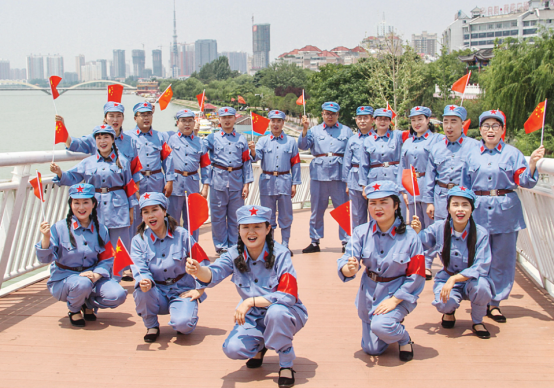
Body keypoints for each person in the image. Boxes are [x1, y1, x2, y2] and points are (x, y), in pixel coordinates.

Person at [186, 205, 307, 388]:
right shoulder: (234, 254)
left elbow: (288, 295)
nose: (251, 232)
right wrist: (198, 270)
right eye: (245, 227)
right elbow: (212, 275)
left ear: (268, 229)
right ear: (239, 230)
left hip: (285, 311)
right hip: (253, 316)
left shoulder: (281, 254)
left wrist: (250, 301)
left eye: (257, 227)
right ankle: (260, 347)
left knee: (275, 314)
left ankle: (286, 363)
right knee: (232, 349)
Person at [461, 109, 545, 323]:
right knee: (478, 256)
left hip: (506, 212)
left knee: (503, 260)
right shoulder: (471, 155)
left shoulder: (513, 154)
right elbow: (465, 186)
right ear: (480, 129)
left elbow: (524, 180)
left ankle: (495, 303)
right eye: (486, 126)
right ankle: (479, 296)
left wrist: (533, 162)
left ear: (502, 130)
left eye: (495, 126)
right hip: (478, 210)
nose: (491, 130)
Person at [337, 181, 425, 361]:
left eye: (384, 202)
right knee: (371, 349)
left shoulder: (410, 236)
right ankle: (388, 325)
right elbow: (346, 262)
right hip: (369, 296)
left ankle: (404, 338)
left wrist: (395, 300)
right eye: (372, 202)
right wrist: (348, 268)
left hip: (397, 294)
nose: (377, 207)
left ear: (396, 205)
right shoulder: (361, 232)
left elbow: (417, 275)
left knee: (381, 326)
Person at [35, 183, 127, 327]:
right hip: (64, 280)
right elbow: (44, 259)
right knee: (82, 283)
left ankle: (87, 303)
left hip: (92, 277)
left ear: (93, 204)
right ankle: (74, 309)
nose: (81, 207)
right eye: (76, 202)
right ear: (70, 204)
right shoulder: (59, 228)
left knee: (118, 295)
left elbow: (108, 258)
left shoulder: (101, 229)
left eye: (85, 202)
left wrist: (97, 275)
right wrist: (45, 238)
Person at [412, 186, 493, 338]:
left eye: (465, 205)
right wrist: (416, 233)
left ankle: (477, 321)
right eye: (455, 205)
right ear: (448, 208)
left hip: (471, 281)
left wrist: (454, 279)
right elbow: (421, 243)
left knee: (481, 286)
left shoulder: (481, 233)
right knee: (444, 303)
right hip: (447, 276)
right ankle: (449, 312)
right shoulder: (439, 228)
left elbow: (481, 267)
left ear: (472, 209)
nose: (460, 210)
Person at [131, 192, 207, 343]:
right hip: (156, 292)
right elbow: (140, 269)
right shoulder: (138, 241)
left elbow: (202, 262)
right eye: (146, 212)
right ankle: (151, 325)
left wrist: (200, 288)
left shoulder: (182, 235)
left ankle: (181, 318)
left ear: (164, 211)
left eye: (155, 210)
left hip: (181, 291)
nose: (151, 216)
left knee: (183, 325)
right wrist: (144, 281)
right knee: (141, 290)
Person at [50, 125, 138, 251]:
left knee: (120, 247)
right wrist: (59, 172)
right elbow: (73, 177)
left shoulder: (122, 161)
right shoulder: (88, 162)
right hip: (96, 208)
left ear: (113, 140)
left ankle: (120, 271)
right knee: (97, 243)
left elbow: (130, 187)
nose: (102, 141)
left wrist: (131, 210)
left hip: (118, 209)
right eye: (99, 138)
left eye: (106, 137)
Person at [298, 102, 353, 253]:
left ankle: (346, 241)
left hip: (339, 175)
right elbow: (303, 146)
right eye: (327, 113)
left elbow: (352, 153)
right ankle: (315, 241)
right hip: (319, 175)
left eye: (333, 114)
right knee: (316, 210)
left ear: (338, 115)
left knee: (343, 210)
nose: (330, 116)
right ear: (322, 114)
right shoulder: (314, 131)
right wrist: (304, 129)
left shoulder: (346, 131)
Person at [398, 106, 444, 280]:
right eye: (413, 120)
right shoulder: (408, 142)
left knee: (430, 225)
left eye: (420, 119)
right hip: (411, 185)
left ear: (428, 120)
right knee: (416, 225)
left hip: (428, 183)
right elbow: (402, 166)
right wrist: (402, 188)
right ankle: (417, 260)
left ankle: (428, 263)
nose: (417, 123)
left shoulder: (437, 140)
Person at [248, 110, 302, 254]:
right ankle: (269, 245)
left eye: (279, 121)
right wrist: (252, 150)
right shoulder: (263, 140)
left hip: (285, 181)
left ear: (283, 123)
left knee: (286, 215)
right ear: (269, 123)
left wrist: (295, 184)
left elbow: (295, 163)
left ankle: (285, 245)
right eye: (273, 121)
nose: (276, 124)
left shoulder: (290, 141)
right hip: (267, 181)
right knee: (267, 216)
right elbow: (255, 158)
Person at [203, 107, 253, 254]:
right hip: (218, 181)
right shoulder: (212, 138)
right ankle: (221, 247)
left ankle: (234, 246)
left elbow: (246, 162)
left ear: (234, 119)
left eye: (229, 117)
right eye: (223, 117)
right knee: (218, 217)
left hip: (237, 181)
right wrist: (195, 131)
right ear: (219, 119)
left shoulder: (241, 139)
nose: (227, 120)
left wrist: (247, 184)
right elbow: (199, 150)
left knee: (235, 216)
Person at [61, 102, 143, 184]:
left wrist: (136, 193)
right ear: (105, 118)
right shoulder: (95, 138)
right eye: (111, 116)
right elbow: (72, 144)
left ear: (123, 118)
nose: (115, 120)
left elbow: (135, 170)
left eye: (118, 116)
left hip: (121, 191)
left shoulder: (130, 141)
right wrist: (62, 127)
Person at [125, 102, 175, 236]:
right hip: (137, 183)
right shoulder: (128, 137)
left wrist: (169, 180)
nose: (146, 118)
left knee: (157, 214)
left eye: (149, 114)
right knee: (136, 216)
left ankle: (159, 244)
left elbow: (167, 158)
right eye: (142, 115)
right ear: (135, 118)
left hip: (156, 181)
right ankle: (136, 248)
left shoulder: (161, 137)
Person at [423, 105, 479, 222]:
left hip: (464, 200)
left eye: (453, 122)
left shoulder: (474, 147)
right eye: (445, 121)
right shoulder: (436, 148)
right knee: (442, 235)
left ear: (462, 124)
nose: (449, 126)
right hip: (441, 200)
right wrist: (429, 202)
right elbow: (430, 177)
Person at [167, 109, 212, 241]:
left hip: (192, 185)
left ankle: (192, 248)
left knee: (192, 222)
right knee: (172, 220)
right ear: (177, 123)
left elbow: (205, 165)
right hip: (175, 185)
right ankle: (174, 248)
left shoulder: (200, 143)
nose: (187, 124)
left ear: (194, 123)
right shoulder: (170, 139)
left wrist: (205, 186)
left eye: (189, 121)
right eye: (183, 121)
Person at [343, 106, 374, 229]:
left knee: (375, 214)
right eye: (359, 118)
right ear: (356, 120)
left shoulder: (377, 137)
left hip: (372, 177)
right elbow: (347, 162)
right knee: (356, 215)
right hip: (354, 179)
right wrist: (347, 183)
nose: (362, 121)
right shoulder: (352, 140)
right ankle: (358, 244)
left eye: (365, 118)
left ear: (372, 119)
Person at [359, 108, 404, 190]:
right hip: (375, 179)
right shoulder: (368, 140)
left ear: (390, 121)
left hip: (394, 178)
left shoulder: (397, 135)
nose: (382, 122)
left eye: (386, 119)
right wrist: (364, 186)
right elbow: (363, 165)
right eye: (379, 119)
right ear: (374, 120)